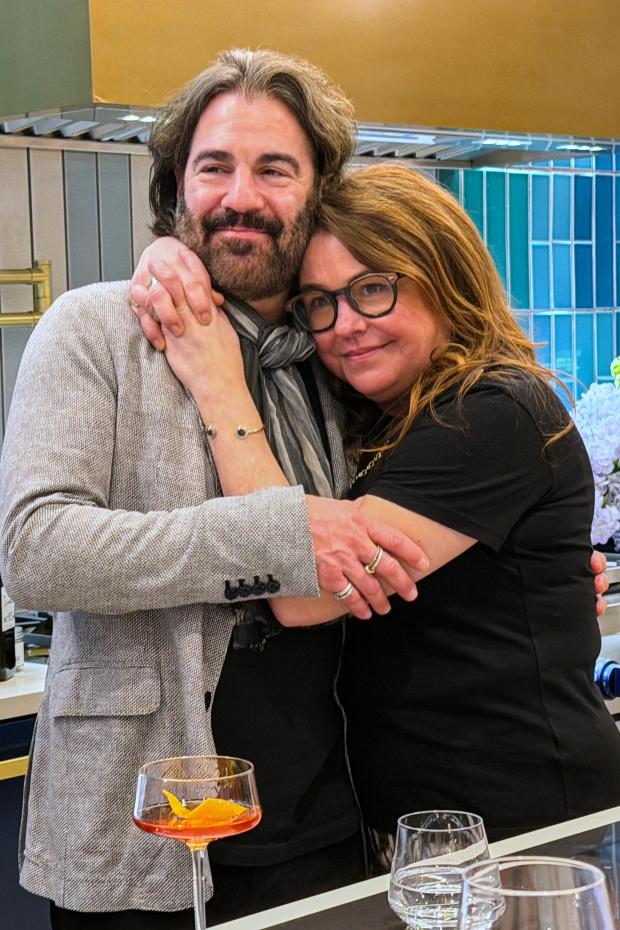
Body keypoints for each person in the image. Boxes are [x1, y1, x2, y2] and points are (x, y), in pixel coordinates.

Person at [0, 51, 431, 929]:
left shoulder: (337, 356)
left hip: (328, 807)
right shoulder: (95, 331)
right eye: (213, 167)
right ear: (175, 190)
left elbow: (391, 536)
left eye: (275, 168)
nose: (241, 195)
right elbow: (35, 551)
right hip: (142, 825)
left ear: (318, 192)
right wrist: (274, 535)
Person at [142, 162, 620, 862]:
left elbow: (308, 592)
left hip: (525, 830)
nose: (345, 327)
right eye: (320, 303)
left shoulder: (493, 412)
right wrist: (168, 257)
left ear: (444, 273)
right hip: (435, 827)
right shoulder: (386, 419)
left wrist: (220, 389)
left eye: (373, 289)